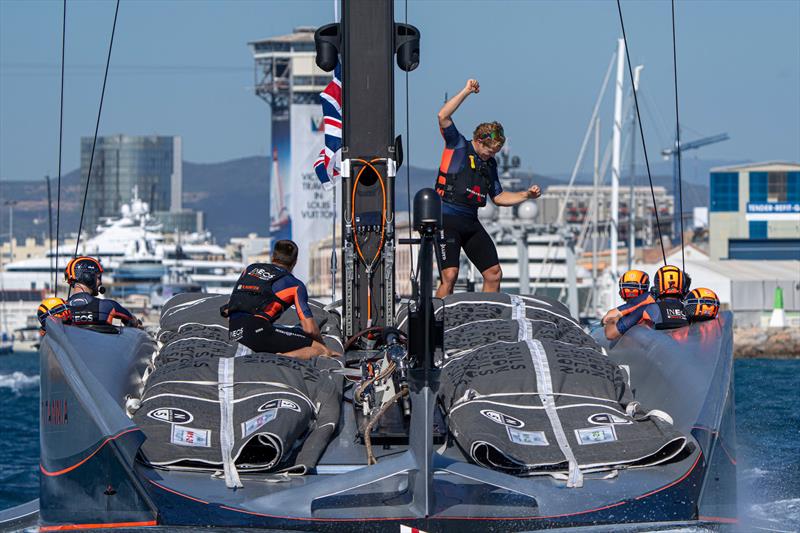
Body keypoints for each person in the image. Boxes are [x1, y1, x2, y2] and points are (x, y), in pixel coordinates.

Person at [434, 79, 542, 298]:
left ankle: (488, 318)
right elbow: (442, 116)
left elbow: (499, 197)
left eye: (495, 152)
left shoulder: (489, 164)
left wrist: (526, 195)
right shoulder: (458, 145)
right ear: (479, 140)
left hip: (470, 221)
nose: (491, 155)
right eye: (489, 151)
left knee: (493, 273)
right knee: (450, 275)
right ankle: (435, 323)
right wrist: (466, 91)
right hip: (447, 218)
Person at [220, 240, 338, 359]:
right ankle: (283, 357)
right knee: (320, 350)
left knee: (283, 331)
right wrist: (323, 345)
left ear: (273, 257)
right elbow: (309, 330)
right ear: (295, 262)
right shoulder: (296, 285)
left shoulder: (250, 269)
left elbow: (228, 307)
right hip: (258, 333)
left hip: (234, 332)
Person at [603, 265, 690, 341]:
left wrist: (615, 319)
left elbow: (610, 334)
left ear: (657, 285)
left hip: (657, 354)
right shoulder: (690, 311)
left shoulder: (650, 309)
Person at [64, 256, 142, 328]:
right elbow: (133, 322)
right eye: (98, 277)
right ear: (87, 277)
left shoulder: (60, 309)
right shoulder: (107, 306)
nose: (100, 282)